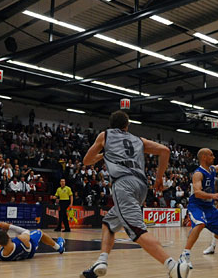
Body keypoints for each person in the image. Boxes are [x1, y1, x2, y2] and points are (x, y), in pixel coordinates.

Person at [80, 110, 188, 278]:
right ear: (127, 125)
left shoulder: (105, 135)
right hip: (141, 186)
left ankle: (174, 266)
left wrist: (103, 153)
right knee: (109, 223)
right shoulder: (138, 140)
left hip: (123, 184)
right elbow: (165, 151)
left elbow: (87, 160)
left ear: (111, 125)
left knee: (137, 231)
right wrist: (159, 179)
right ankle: (101, 260)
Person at [0, 222, 65, 261]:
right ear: (8, 237)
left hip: (25, 256)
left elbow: (1, 243)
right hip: (30, 246)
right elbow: (26, 231)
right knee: (39, 231)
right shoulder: (20, 240)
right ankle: (59, 247)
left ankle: (58, 247)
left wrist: (5, 231)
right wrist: (9, 226)